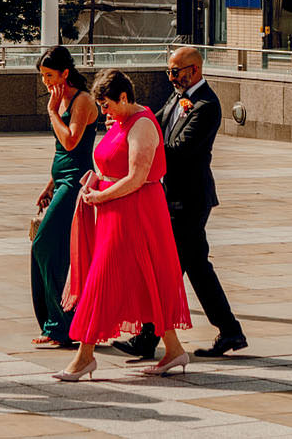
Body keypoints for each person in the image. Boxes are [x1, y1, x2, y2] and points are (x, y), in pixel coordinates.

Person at [111, 46, 248, 362]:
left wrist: (143, 145)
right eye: (168, 71)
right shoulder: (179, 96)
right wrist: (128, 126)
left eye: (176, 71)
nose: (171, 77)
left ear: (195, 70)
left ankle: (148, 337)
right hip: (173, 197)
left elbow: (177, 149)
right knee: (197, 268)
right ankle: (229, 330)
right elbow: (154, 124)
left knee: (165, 269)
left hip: (189, 199)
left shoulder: (207, 105)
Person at [56, 69, 191, 380]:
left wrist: (100, 198)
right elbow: (112, 165)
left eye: (107, 105)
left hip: (136, 211)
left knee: (102, 279)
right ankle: (173, 350)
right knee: (147, 280)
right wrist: (96, 179)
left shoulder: (141, 124)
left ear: (124, 97)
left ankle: (84, 356)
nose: (104, 112)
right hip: (119, 210)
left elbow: (136, 179)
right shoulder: (122, 120)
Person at [31, 46, 100, 349]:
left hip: (75, 183)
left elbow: (71, 142)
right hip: (61, 180)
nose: (45, 82)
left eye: (49, 75)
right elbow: (61, 151)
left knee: (44, 244)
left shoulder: (82, 100)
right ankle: (58, 323)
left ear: (65, 73)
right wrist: (50, 183)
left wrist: (51, 111)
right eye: (43, 76)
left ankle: (62, 323)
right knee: (51, 251)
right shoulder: (62, 99)